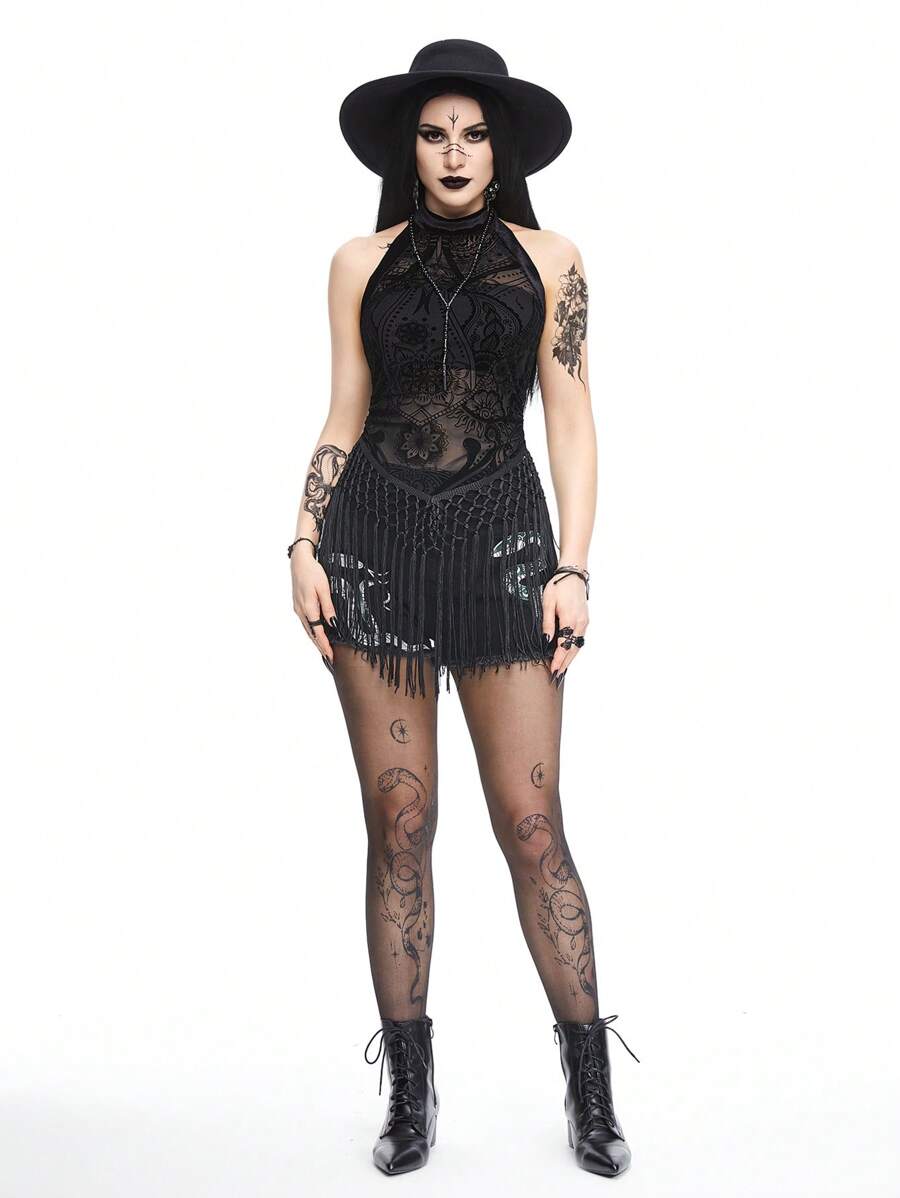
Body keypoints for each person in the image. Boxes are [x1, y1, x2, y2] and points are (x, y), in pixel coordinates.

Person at [289, 39, 639, 1178]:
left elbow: (571, 414)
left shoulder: (552, 260)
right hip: (374, 549)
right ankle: (409, 1092)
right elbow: (345, 410)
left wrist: (572, 565)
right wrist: (303, 540)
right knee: (400, 825)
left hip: (502, 546)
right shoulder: (358, 261)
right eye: (435, 133)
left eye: (474, 134)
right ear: (410, 147)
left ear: (501, 150)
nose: (453, 152)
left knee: (533, 826)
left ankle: (591, 1085)